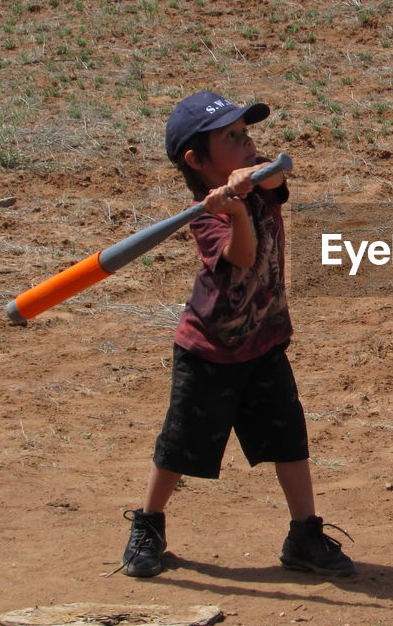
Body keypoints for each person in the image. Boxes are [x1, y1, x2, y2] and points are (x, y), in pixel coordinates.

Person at [119, 90, 354, 579]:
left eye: (245, 132)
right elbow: (243, 257)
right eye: (231, 137)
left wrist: (252, 179)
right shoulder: (206, 217)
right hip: (209, 349)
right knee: (181, 444)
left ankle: (304, 535)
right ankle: (149, 524)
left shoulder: (259, 177)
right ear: (196, 160)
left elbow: (281, 169)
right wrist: (235, 211)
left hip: (265, 340)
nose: (247, 142)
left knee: (288, 439)